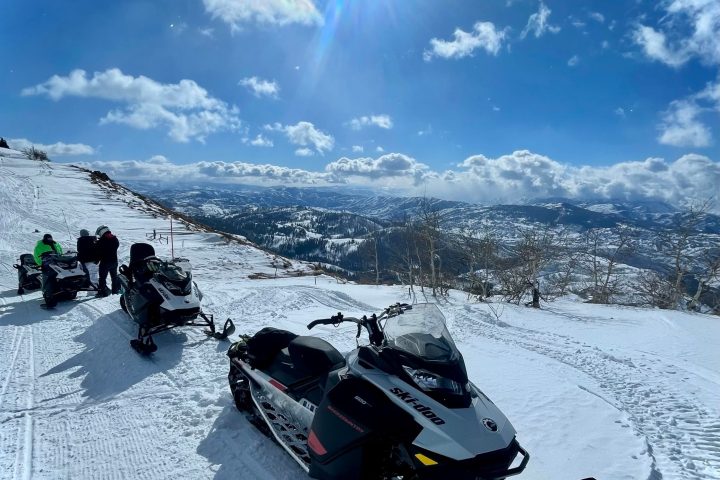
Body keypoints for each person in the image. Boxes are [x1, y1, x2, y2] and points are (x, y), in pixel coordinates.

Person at [95, 225, 120, 297]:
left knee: (102, 278)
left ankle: (102, 292)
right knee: (114, 277)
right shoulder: (115, 239)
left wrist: (96, 260)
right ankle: (115, 291)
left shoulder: (101, 241)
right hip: (114, 261)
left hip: (105, 262)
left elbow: (98, 252)